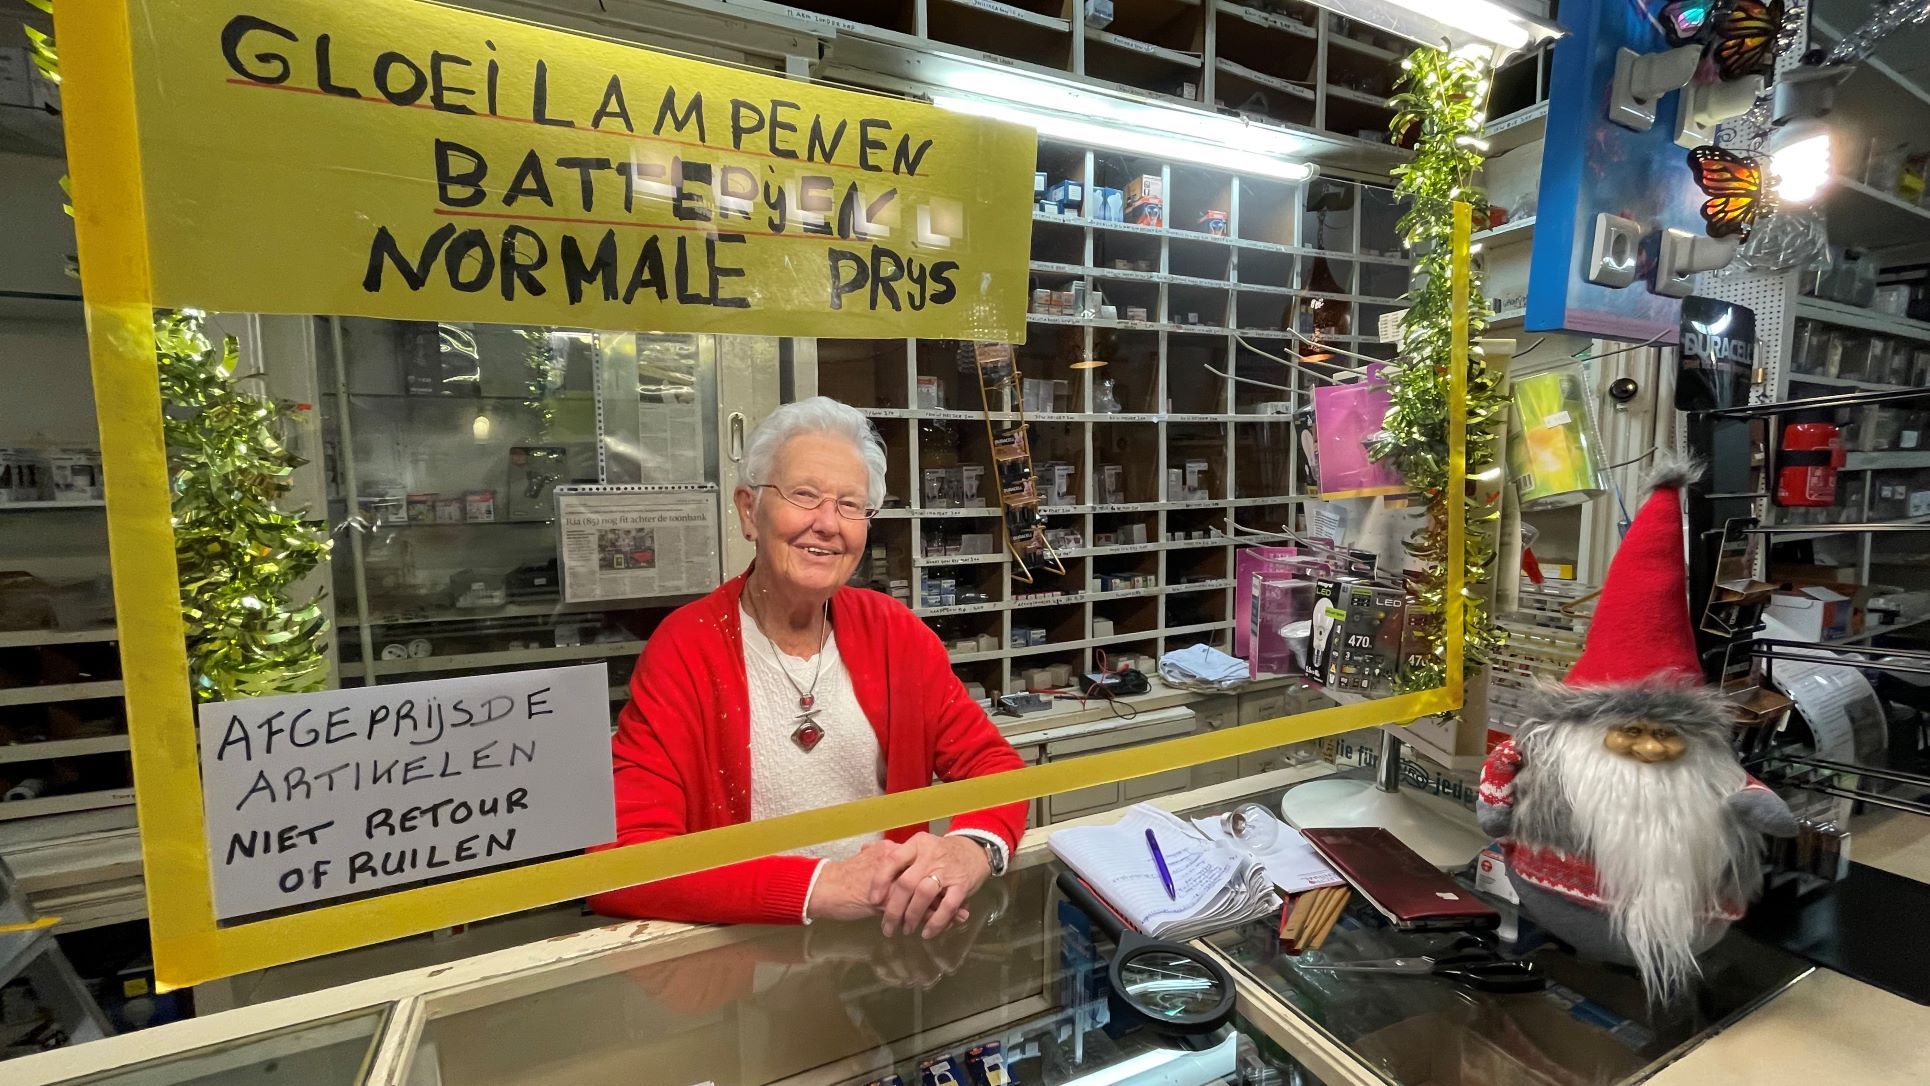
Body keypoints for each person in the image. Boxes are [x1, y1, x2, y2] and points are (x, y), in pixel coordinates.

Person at [588, 397, 1028, 939]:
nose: (827, 524)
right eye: (804, 496)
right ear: (749, 511)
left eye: (850, 505)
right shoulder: (687, 648)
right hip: (740, 960)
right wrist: (823, 887)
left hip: (881, 959)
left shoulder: (895, 633)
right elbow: (619, 865)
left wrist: (973, 849)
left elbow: (995, 769)